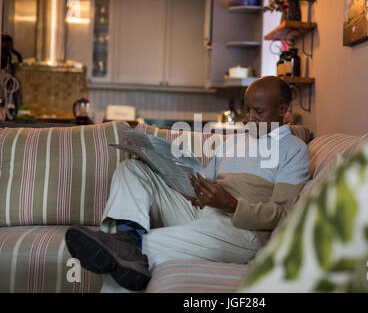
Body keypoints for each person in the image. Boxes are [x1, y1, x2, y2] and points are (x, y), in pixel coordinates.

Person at [65, 76, 311, 292]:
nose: (250, 118)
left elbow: (281, 214)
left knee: (127, 253)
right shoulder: (233, 142)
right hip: (201, 212)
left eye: (258, 111)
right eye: (247, 111)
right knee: (133, 168)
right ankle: (127, 233)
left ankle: (125, 242)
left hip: (241, 231)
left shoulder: (294, 150)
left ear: (282, 109)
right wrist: (159, 167)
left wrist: (233, 204)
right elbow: (199, 188)